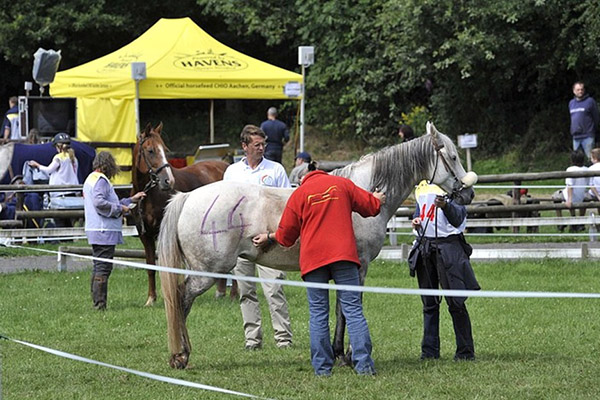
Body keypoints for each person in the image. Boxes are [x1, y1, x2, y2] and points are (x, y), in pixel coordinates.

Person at [253, 162, 385, 376]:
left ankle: (322, 368)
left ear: (303, 178)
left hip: (314, 260)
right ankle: (364, 366)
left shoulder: (300, 194)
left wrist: (269, 236)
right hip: (343, 256)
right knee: (353, 310)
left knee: (318, 314)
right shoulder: (342, 184)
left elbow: (286, 236)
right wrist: (378, 199)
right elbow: (371, 207)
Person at [223, 124, 293, 350]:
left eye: (264, 144)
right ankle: (252, 340)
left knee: (274, 289)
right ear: (245, 147)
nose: (262, 148)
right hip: (241, 241)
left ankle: (283, 339)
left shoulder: (275, 170)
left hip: (270, 242)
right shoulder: (232, 172)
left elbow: (287, 205)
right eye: (257, 145)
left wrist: (273, 236)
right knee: (246, 291)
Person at [408, 180, 480, 361]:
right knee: (429, 304)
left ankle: (465, 352)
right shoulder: (422, 185)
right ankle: (429, 352)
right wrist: (416, 220)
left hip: (448, 248)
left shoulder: (455, 186)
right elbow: (420, 213)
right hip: (425, 246)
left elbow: (458, 217)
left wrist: (446, 205)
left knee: (456, 303)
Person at [83, 151, 146, 310]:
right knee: (103, 268)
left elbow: (109, 201)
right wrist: (120, 209)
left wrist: (131, 199)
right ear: (107, 165)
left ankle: (97, 302)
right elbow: (100, 203)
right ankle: (100, 305)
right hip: (104, 231)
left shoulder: (91, 179)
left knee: (99, 266)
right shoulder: (101, 181)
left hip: (96, 229)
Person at [28, 133, 80, 225]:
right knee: (69, 221)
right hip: (71, 192)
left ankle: (62, 238)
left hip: (59, 193)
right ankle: (69, 238)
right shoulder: (73, 158)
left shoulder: (58, 158)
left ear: (59, 147)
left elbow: (49, 170)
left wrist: (37, 165)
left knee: (59, 220)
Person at [552, 150, 589, 232]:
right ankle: (580, 221)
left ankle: (560, 221)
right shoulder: (587, 169)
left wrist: (569, 200)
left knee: (555, 196)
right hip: (581, 195)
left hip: (570, 195)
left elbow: (569, 186)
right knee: (584, 198)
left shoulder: (570, 169)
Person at [569, 81, 599, 158]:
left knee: (591, 158)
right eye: (578, 90)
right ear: (574, 91)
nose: (580, 91)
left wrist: (594, 130)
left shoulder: (590, 101)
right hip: (575, 137)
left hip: (588, 135)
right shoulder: (571, 103)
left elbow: (596, 117)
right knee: (577, 159)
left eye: (582, 89)